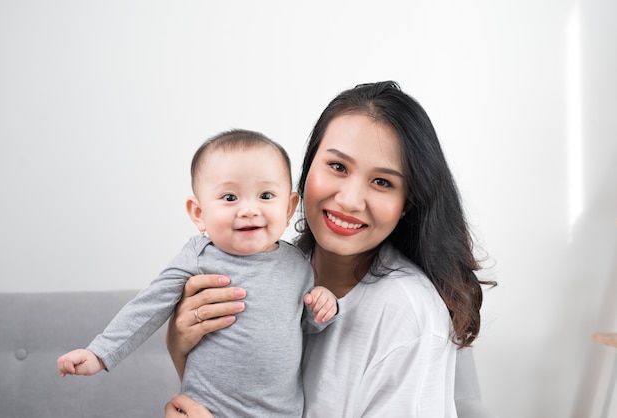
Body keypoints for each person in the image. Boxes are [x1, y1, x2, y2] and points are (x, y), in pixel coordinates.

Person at [164, 81, 496, 418]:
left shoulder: (405, 311)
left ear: (406, 202)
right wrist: (180, 348)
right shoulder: (276, 266)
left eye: (383, 182)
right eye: (338, 167)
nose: (349, 201)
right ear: (307, 169)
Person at [57, 129, 338, 417]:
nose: (249, 210)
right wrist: (99, 353)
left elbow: (305, 326)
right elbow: (147, 307)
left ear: (289, 206)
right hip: (207, 410)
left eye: (266, 195)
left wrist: (323, 305)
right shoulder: (199, 256)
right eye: (230, 197)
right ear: (198, 213)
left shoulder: (298, 264)